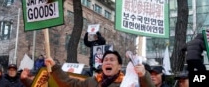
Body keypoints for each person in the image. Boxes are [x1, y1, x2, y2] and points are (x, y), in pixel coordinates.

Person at [20, 50, 155, 87]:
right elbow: (69, 84)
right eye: (105, 60)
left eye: (112, 60)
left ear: (119, 66)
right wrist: (55, 67)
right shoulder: (92, 81)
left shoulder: (128, 83)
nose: (108, 62)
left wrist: (143, 75)